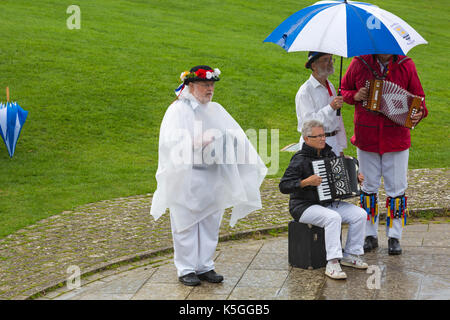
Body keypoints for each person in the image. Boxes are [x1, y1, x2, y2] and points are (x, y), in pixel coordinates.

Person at [150, 65, 267, 286]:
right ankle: (185, 268)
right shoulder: (177, 111)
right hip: (188, 176)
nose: (210, 89)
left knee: (211, 221)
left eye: (212, 85)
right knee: (185, 222)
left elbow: (235, 134)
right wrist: (194, 142)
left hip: (213, 175)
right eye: (205, 85)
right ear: (191, 85)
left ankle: (205, 265)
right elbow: (168, 143)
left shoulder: (216, 109)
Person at [341, 54, 427, 255]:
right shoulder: (358, 63)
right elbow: (344, 90)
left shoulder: (406, 65)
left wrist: (419, 112)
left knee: (396, 189)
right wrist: (354, 96)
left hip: (396, 139)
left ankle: (394, 236)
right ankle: (369, 234)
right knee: (368, 188)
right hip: (366, 137)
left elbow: (420, 100)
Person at [279, 119, 368, 280]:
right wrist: (306, 182)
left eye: (323, 135)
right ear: (306, 139)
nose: (322, 139)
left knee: (360, 214)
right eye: (317, 136)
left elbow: (341, 180)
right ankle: (332, 263)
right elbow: (284, 186)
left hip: (327, 203)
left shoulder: (329, 154)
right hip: (303, 206)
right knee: (333, 218)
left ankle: (351, 255)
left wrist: (355, 179)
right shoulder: (299, 159)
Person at [296, 52, 347, 156]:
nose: (330, 63)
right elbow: (309, 124)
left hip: (333, 143)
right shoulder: (305, 92)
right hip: (314, 145)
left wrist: (340, 147)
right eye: (325, 60)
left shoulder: (330, 86)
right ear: (314, 65)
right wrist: (331, 107)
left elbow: (337, 119)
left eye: (331, 59)